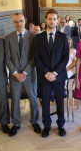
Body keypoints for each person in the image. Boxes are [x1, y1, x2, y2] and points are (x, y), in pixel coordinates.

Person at [33, 8, 69, 137]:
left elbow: (65, 58)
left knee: (60, 101)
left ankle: (61, 125)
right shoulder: (38, 38)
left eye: (54, 19)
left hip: (58, 76)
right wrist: (47, 73)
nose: (52, 21)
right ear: (46, 20)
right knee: (45, 102)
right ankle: (46, 126)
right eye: (50, 18)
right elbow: (36, 57)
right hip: (44, 76)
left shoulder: (63, 37)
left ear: (58, 20)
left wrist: (55, 73)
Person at [5, 13, 40, 137]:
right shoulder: (8, 38)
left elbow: (34, 57)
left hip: (29, 74)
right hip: (15, 76)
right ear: (13, 22)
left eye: (20, 21)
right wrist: (15, 73)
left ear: (25, 21)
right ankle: (15, 123)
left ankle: (35, 121)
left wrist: (24, 72)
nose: (18, 24)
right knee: (14, 100)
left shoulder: (33, 37)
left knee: (33, 98)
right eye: (16, 22)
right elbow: (7, 58)